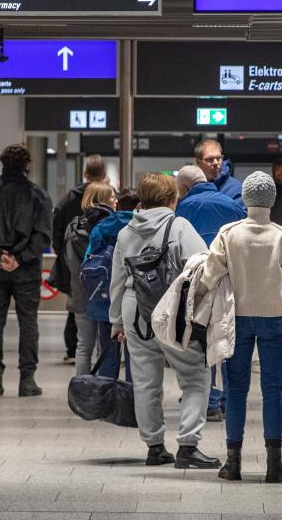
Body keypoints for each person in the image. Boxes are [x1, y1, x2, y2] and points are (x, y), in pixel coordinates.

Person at [198, 171, 282, 483]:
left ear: (245, 199)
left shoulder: (228, 234)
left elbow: (208, 276)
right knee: (273, 390)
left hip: (237, 319)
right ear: (272, 200)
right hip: (276, 319)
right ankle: (274, 465)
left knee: (235, 389)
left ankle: (233, 464)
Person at [109, 173, 221, 469]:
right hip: (171, 308)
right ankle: (187, 446)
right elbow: (205, 266)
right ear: (172, 199)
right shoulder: (178, 226)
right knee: (195, 376)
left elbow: (117, 281)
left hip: (135, 310)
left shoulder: (126, 232)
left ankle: (155, 448)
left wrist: (116, 322)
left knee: (145, 382)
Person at [0, 144, 53, 397]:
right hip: (26, 270)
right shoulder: (39, 196)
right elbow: (43, 236)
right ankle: (27, 379)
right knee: (28, 321)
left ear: (2, 163)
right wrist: (21, 257)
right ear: (28, 164)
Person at [175, 164, 247, 420]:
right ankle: (231, 400)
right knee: (228, 341)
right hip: (231, 282)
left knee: (203, 344)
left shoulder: (182, 209)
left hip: (198, 284)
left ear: (183, 187)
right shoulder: (231, 203)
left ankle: (210, 400)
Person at [52, 154, 107, 364]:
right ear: (104, 175)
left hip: (74, 264)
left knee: (77, 311)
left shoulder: (69, 199)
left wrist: (64, 253)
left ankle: (71, 350)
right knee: (103, 331)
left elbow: (56, 226)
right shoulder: (109, 201)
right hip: (103, 276)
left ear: (85, 173)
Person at [85, 188, 140, 380]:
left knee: (108, 351)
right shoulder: (140, 227)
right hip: (135, 298)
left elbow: (88, 260)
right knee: (135, 354)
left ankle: (108, 400)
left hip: (104, 297)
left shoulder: (101, 226)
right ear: (139, 206)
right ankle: (132, 401)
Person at [66, 182, 116, 376]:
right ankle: (101, 390)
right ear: (102, 199)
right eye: (112, 197)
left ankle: (82, 391)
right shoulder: (110, 224)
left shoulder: (73, 225)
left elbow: (67, 259)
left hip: (80, 290)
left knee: (83, 345)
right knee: (104, 347)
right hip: (104, 292)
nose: (115, 200)